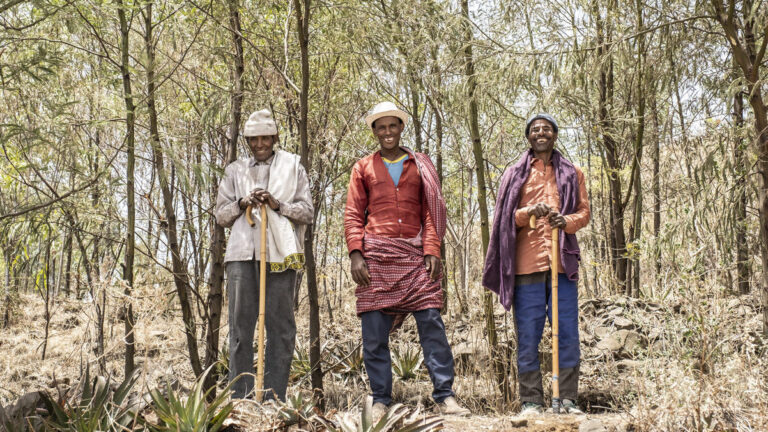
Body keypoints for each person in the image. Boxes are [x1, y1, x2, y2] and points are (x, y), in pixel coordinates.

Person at [344, 101, 470, 418]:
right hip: (376, 257)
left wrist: (432, 249)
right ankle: (380, 399)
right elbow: (353, 214)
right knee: (373, 334)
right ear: (374, 131)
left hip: (416, 257)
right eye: (381, 127)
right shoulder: (363, 168)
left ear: (401, 128)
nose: (387, 132)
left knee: (431, 324)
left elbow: (431, 211)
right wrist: (356, 253)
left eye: (393, 126)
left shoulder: (420, 165)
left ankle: (445, 395)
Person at [482, 113, 590, 415]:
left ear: (555, 135)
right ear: (528, 136)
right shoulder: (514, 173)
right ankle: (531, 402)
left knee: (567, 332)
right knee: (528, 335)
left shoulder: (572, 172)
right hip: (525, 267)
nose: (541, 133)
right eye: (535, 129)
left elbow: (584, 212)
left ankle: (567, 399)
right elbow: (505, 216)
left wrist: (565, 221)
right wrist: (527, 212)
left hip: (562, 267)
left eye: (546, 129)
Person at [215, 109, 313, 401]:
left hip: (280, 256)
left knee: (281, 327)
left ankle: (273, 399)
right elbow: (220, 215)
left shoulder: (292, 167)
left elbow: (306, 212)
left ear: (274, 137)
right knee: (240, 330)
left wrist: (277, 204)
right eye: (253, 139)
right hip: (242, 255)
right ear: (247, 140)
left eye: (265, 138)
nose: (259, 144)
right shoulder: (235, 171)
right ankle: (241, 399)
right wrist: (242, 202)